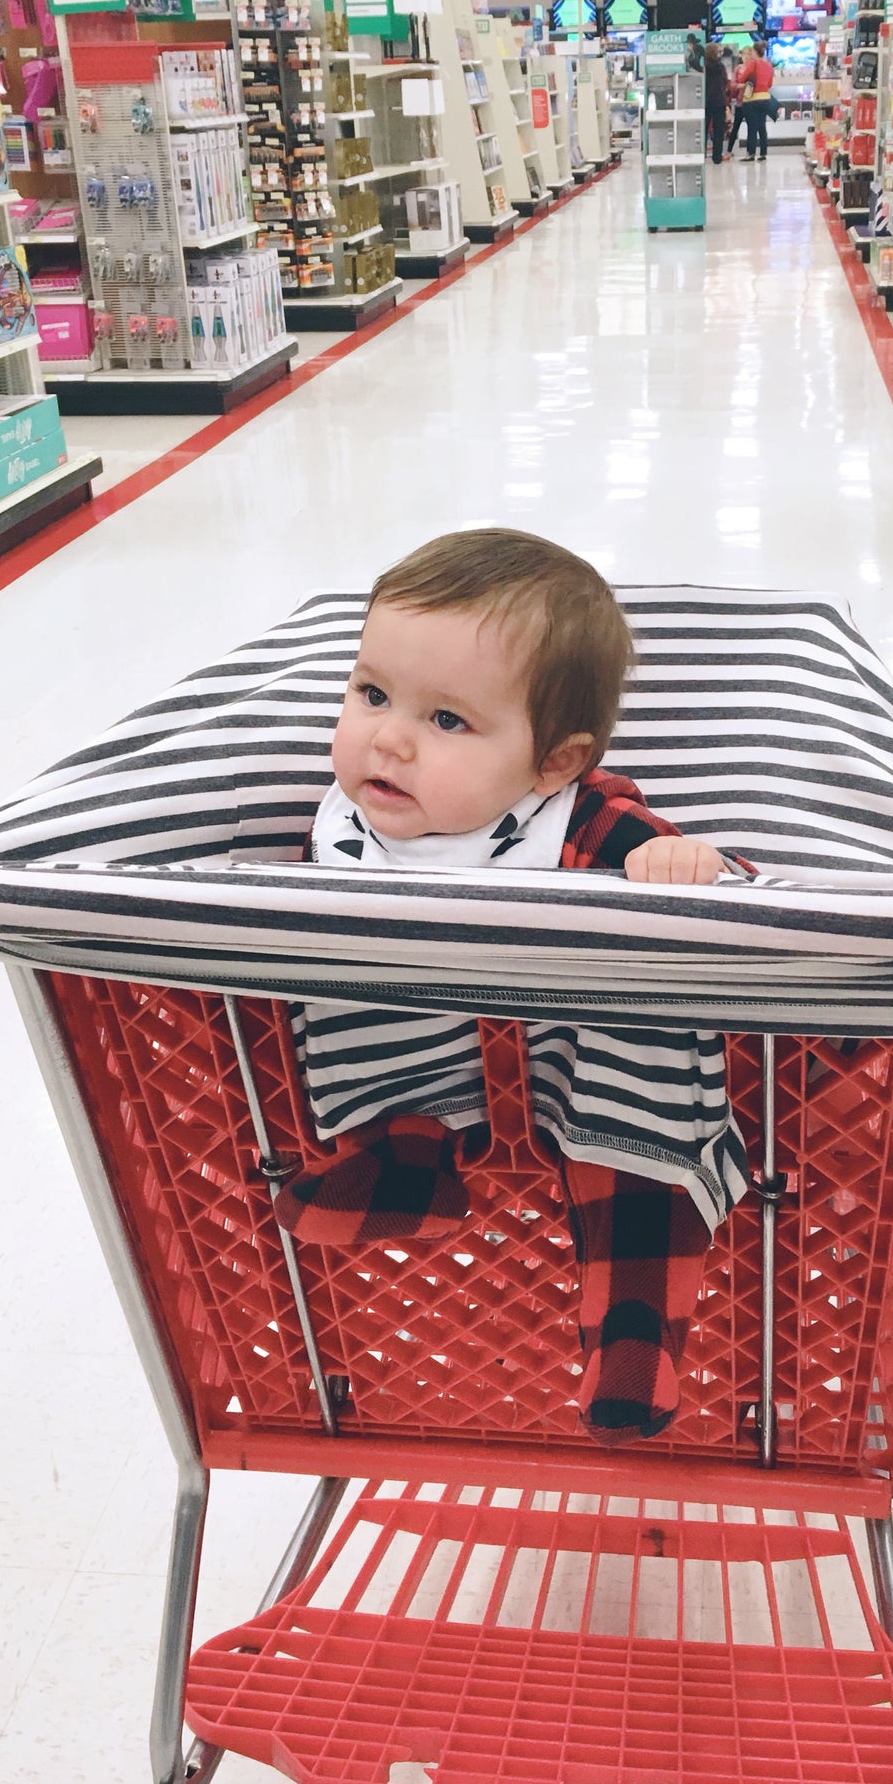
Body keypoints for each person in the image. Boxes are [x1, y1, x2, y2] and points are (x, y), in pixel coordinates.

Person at [274, 529, 752, 1447]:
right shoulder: (346, 822)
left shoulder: (577, 821)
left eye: (447, 721)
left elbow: (731, 884)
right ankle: (395, 1138)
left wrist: (685, 863)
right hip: (430, 1078)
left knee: (636, 1140)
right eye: (372, 693)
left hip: (578, 1090)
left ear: (554, 763)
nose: (390, 739)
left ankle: (635, 1334)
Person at [737, 39, 775, 162]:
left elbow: (742, 78)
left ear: (754, 51)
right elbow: (769, 83)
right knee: (762, 126)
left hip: (751, 98)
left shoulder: (753, 64)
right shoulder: (769, 65)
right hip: (765, 98)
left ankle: (751, 153)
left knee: (752, 127)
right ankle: (763, 153)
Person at [704, 40, 731, 164]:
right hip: (719, 101)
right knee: (718, 130)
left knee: (703, 128)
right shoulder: (721, 67)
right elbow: (726, 81)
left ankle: (700, 154)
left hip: (705, 101)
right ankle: (717, 157)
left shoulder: (703, 67)